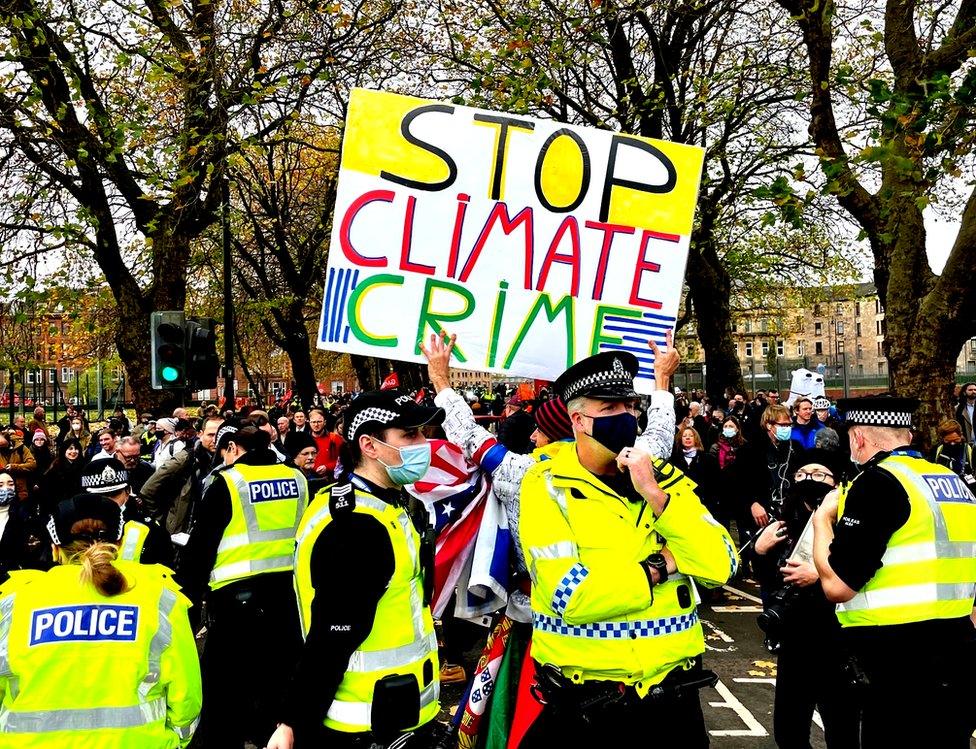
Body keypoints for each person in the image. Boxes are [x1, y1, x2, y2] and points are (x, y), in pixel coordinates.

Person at [517, 351, 737, 747]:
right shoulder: (546, 486)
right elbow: (573, 595)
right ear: (578, 420)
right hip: (589, 705)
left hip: (673, 701)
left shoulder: (663, 478)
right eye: (611, 407)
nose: (627, 416)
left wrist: (655, 496)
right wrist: (663, 565)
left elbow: (721, 564)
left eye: (632, 405)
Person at [266, 391, 444, 749]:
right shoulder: (358, 528)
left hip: (396, 712)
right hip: (369, 725)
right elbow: (331, 636)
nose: (424, 444)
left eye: (422, 433)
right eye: (409, 436)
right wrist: (293, 721)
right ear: (370, 445)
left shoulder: (379, 503)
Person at [813, 395, 976, 747]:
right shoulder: (950, 481)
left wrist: (822, 520)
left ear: (858, 438)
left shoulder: (878, 483)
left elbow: (838, 586)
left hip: (896, 664)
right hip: (958, 653)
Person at [0, 492, 201, 746]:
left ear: (54, 548)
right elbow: (186, 698)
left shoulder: (13, 601)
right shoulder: (160, 598)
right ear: (119, 543)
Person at [176, 425, 308, 748]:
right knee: (280, 705)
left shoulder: (229, 483)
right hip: (290, 605)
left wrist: (185, 616)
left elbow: (199, 553)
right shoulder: (298, 479)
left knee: (222, 710)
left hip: (237, 612)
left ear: (234, 448)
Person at [753, 449, 859, 748]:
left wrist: (819, 574)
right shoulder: (784, 524)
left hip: (838, 642)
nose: (809, 480)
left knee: (843, 729)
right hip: (795, 642)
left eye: (819, 474)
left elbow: (861, 573)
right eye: (802, 474)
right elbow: (770, 584)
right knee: (788, 731)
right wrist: (760, 551)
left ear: (835, 482)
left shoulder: (848, 522)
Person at [80, 458, 173, 568]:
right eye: (100, 496)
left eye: (115, 494)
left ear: (128, 492)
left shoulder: (151, 531)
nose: (109, 502)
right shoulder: (74, 529)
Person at [39, 438, 85, 512]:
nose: (73, 451)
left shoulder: (84, 466)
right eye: (70, 449)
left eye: (76, 449)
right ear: (64, 450)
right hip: (60, 508)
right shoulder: (55, 468)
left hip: (80, 506)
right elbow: (48, 493)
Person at [0, 428, 37, 502]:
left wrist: (15, 467)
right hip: (3, 490)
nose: (1, 448)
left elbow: (32, 464)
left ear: (9, 443)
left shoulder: (21, 448)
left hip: (21, 489)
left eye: (3, 445)